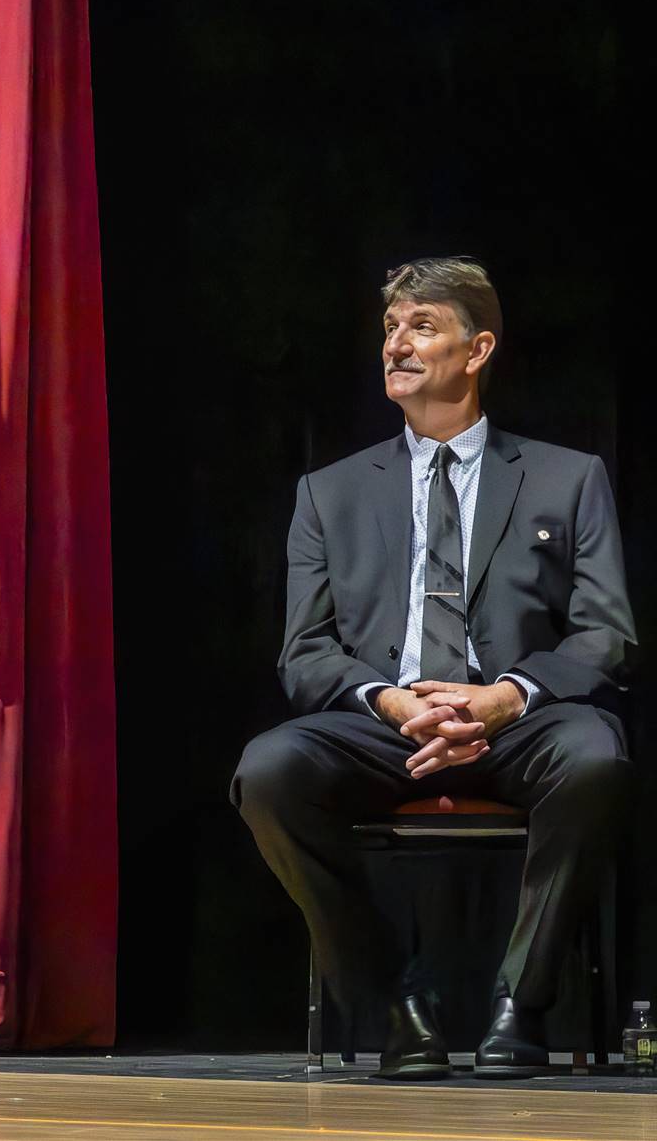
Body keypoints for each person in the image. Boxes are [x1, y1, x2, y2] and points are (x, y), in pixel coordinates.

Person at [232, 257, 635, 1080]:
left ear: (478, 348)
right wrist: (388, 702)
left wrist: (502, 697)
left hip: (517, 718)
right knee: (267, 771)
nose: (397, 345)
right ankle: (390, 1003)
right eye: (390, 328)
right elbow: (305, 652)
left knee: (596, 754)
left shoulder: (567, 477)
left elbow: (606, 634)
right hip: (384, 721)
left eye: (421, 326)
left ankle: (520, 1005)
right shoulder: (329, 493)